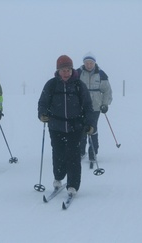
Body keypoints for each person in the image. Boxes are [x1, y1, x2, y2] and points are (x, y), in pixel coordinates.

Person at [38, 55, 95, 196]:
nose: (66, 73)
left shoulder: (78, 85)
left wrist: (89, 123)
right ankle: (59, 176)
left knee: (73, 155)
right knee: (58, 154)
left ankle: (73, 185)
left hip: (75, 127)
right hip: (56, 126)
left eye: (68, 70)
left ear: (72, 70)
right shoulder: (51, 85)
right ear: (58, 70)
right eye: (63, 70)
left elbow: (88, 106)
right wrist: (42, 114)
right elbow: (43, 103)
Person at [77, 52, 113, 161]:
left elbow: (107, 91)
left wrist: (105, 104)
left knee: (93, 129)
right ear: (84, 63)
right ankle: (81, 152)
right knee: (81, 129)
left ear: (94, 63)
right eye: (87, 63)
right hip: (80, 107)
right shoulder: (78, 73)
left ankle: (93, 153)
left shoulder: (101, 74)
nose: (89, 65)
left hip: (95, 107)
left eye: (91, 63)